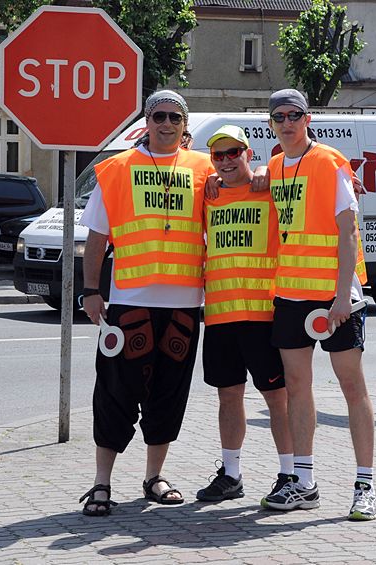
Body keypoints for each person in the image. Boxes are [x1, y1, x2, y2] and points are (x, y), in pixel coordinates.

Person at [78, 90, 214, 515]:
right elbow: (97, 238)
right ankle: (101, 484)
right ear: (147, 121)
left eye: (175, 117)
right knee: (115, 392)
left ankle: (154, 477)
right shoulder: (116, 170)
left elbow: (248, 185)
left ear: (185, 125)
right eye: (160, 116)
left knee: (169, 394)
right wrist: (91, 290)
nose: (167, 123)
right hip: (128, 302)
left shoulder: (204, 168)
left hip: (184, 304)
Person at [261, 89, 376, 521]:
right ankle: (303, 483)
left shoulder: (330, 163)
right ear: (271, 123)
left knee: (352, 387)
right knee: (296, 387)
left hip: (335, 297)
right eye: (279, 117)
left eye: (294, 115)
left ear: (308, 119)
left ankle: (364, 485)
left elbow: (348, 233)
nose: (287, 122)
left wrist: (341, 296)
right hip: (291, 294)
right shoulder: (274, 166)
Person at [195, 125, 295, 506]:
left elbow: (306, 169)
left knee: (277, 399)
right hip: (220, 314)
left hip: (263, 314)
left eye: (233, 152)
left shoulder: (270, 187)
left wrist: (270, 170)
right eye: (218, 155)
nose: (225, 161)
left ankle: (288, 474)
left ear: (247, 153)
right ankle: (231, 475)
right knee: (228, 396)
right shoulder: (209, 194)